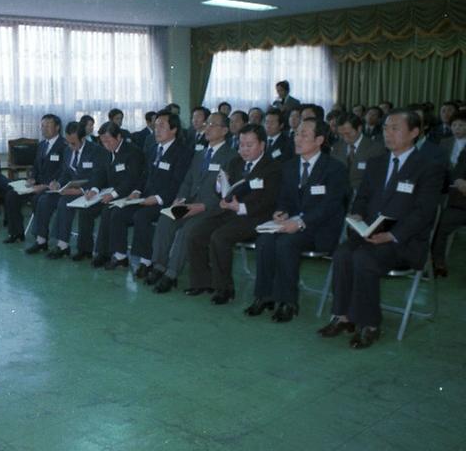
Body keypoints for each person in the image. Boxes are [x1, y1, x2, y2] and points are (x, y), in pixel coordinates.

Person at [318, 109, 444, 348]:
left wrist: (392, 235)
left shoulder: (428, 167)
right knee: (343, 253)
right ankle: (344, 316)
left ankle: (370, 323)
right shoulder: (377, 163)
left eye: (395, 128)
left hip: (404, 241)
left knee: (364, 258)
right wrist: (357, 216)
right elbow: (362, 199)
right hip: (371, 233)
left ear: (414, 132)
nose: (388, 133)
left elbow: (423, 213)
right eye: (386, 128)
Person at [244, 118, 348, 323]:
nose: (297, 139)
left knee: (286, 243)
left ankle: (288, 301)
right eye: (297, 134)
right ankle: (264, 296)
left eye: (304, 135)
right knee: (264, 241)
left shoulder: (334, 168)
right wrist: (280, 212)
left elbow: (330, 206)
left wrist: (300, 223)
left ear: (319, 140)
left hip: (319, 229)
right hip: (290, 223)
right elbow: (284, 198)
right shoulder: (289, 166)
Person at [185, 124, 282, 304]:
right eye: (241, 145)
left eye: (249, 145)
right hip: (230, 212)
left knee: (219, 237)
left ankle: (224, 289)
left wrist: (241, 208)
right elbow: (224, 191)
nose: (244, 150)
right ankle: (202, 282)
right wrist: (220, 186)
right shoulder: (235, 161)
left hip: (256, 217)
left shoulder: (273, 167)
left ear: (262, 145)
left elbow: (269, 200)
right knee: (196, 233)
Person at [145, 112, 238, 293]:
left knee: (186, 231)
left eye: (213, 124)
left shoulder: (232, 156)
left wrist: (202, 206)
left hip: (212, 210)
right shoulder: (200, 153)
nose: (208, 127)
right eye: (207, 123)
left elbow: (227, 191)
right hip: (190, 204)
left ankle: (171, 274)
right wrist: (180, 199)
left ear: (225, 130)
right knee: (166, 219)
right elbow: (187, 181)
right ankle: (159, 266)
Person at [104, 110, 192, 271]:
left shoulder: (183, 152)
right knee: (117, 212)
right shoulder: (152, 148)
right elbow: (144, 175)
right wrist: (137, 191)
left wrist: (158, 198)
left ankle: (146, 261)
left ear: (173, 129)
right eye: (155, 125)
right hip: (145, 197)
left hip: (166, 200)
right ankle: (120, 256)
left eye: (162, 126)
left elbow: (179, 183)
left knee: (141, 216)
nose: (156, 129)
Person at [26, 121, 107, 258]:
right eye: (68, 142)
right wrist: (58, 184)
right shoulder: (67, 150)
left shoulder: (96, 151)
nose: (70, 146)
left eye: (73, 143)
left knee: (64, 203)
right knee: (45, 200)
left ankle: (63, 245)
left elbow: (99, 176)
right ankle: (41, 240)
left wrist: (81, 190)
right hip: (70, 188)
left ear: (83, 139)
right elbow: (65, 173)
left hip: (88, 191)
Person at [77, 122, 145, 263]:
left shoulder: (133, 152)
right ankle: (85, 249)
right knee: (85, 210)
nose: (106, 145)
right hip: (108, 192)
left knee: (108, 211)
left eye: (108, 140)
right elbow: (99, 174)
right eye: (103, 142)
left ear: (119, 136)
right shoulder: (105, 152)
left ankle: (105, 253)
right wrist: (94, 190)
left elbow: (132, 180)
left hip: (128, 194)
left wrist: (113, 195)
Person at [3, 114, 66, 243]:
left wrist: (46, 185)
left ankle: (41, 238)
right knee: (11, 195)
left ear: (58, 127)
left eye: (48, 125)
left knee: (39, 199)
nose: (44, 129)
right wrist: (31, 178)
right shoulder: (42, 145)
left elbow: (64, 171)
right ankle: (16, 233)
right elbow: (36, 166)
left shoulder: (64, 145)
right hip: (36, 184)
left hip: (52, 187)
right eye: (42, 126)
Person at [431, 112, 466, 277]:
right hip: (456, 197)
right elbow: (454, 170)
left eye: (462, 125)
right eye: (455, 125)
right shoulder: (445, 144)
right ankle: (438, 262)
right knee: (442, 225)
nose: (458, 129)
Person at [331, 112, 386, 200]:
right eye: (341, 134)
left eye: (348, 133)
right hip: (338, 197)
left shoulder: (376, 148)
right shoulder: (336, 147)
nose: (345, 138)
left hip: (364, 197)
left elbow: (377, 180)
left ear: (359, 128)